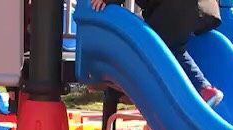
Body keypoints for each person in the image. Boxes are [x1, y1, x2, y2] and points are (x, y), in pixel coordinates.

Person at [91, 0, 223, 107]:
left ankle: (139, 91)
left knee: (147, 47)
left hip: (172, 8)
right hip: (197, 10)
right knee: (174, 50)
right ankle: (205, 89)